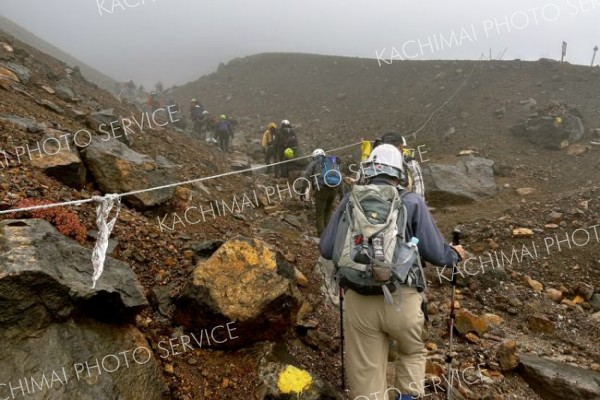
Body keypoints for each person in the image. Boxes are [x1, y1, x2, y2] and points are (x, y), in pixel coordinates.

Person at [319, 144, 465, 400]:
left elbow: (326, 248)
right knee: (411, 353)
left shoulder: (349, 200)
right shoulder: (411, 201)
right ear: (399, 172)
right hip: (402, 298)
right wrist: (455, 254)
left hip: (358, 300)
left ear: (370, 169)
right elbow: (436, 253)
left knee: (366, 373)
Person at [299, 149, 341, 236]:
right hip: (334, 189)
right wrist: (342, 194)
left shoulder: (314, 163)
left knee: (319, 213)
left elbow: (306, 177)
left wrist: (302, 191)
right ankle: (329, 233)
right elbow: (340, 177)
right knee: (328, 210)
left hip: (322, 189)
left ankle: (322, 235)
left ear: (314, 157)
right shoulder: (332, 162)